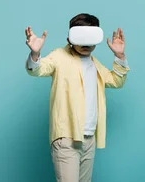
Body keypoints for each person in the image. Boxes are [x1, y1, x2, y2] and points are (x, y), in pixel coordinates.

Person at [24, 13, 130, 182]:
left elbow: (116, 81)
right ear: (69, 38)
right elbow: (37, 69)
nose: (85, 44)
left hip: (88, 139)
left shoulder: (95, 64)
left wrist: (120, 56)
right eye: (80, 37)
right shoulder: (59, 56)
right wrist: (35, 54)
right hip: (66, 138)